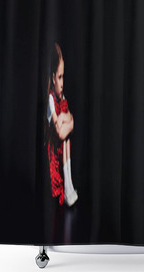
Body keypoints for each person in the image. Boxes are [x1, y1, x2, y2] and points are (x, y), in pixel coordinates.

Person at [44, 42, 78, 207]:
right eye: (59, 77)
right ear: (52, 78)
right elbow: (60, 130)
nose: (62, 82)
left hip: (62, 147)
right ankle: (66, 185)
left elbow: (71, 119)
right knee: (65, 138)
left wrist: (68, 118)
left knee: (67, 141)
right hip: (54, 158)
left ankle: (69, 184)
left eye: (63, 76)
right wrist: (69, 120)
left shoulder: (62, 98)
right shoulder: (51, 99)